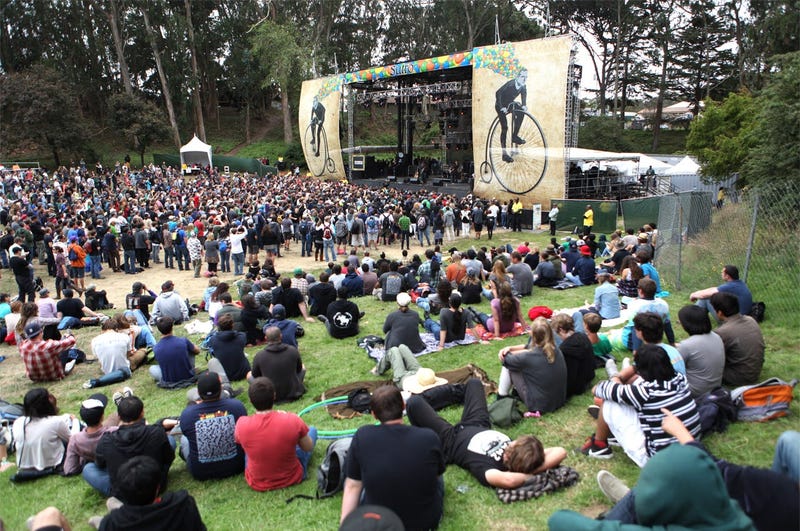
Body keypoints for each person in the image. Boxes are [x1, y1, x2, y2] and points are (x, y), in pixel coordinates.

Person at [570, 412, 799, 531]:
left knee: (666, 481)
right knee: (789, 440)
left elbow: (712, 471)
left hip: (768, 512)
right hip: (782, 500)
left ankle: (624, 513)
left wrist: (682, 433)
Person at [550, 443, 754, 531]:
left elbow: (558, 520)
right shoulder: (738, 516)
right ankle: (630, 499)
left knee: (637, 501)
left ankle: (630, 502)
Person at [407, 378, 567, 488]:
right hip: (478, 424)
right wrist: (535, 469)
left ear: (509, 458)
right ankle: (451, 397)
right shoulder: (526, 455)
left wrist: (528, 476)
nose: (510, 443)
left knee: (414, 403)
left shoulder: (491, 468)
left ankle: (417, 400)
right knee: (475, 384)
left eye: (510, 447)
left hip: (451, 439)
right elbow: (560, 451)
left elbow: (509, 480)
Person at [340, 386, 445, 530]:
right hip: (425, 523)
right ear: (403, 406)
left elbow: (352, 486)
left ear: (374, 414)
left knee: (363, 485)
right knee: (438, 478)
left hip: (379, 522)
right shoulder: (429, 437)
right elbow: (437, 474)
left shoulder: (363, 436)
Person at [579, 344, 699, 467]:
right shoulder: (680, 379)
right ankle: (612, 432)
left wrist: (615, 376)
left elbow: (597, 389)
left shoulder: (646, 393)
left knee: (610, 400)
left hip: (658, 460)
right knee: (627, 388)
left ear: (641, 370)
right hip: (689, 445)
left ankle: (599, 446)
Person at [234, 377, 317, 491]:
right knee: (312, 430)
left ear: (250, 400)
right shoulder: (292, 419)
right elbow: (308, 447)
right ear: (274, 396)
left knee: (249, 449)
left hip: (256, 482)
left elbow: (238, 440)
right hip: (292, 477)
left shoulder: (241, 424)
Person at [86, 395, 175, 497]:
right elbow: (169, 457)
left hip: (124, 491)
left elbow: (100, 464)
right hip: (155, 486)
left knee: (88, 469)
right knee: (170, 440)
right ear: (142, 412)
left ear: (119, 417)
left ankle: (119, 493)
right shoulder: (156, 432)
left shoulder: (107, 440)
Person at [91, 456, 207, 531]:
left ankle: (108, 517)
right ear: (157, 488)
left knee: (103, 520)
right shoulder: (182, 503)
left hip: (120, 519)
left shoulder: (113, 523)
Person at [178, 372, 247, 480]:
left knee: (183, 439)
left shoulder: (188, 414)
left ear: (198, 394)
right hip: (236, 466)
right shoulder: (237, 406)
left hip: (201, 472)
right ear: (221, 390)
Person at [497, 317, 567, 414]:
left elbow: (506, 359)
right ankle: (511, 394)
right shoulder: (556, 349)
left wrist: (503, 352)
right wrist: (510, 348)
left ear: (532, 335)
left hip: (539, 405)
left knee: (509, 366)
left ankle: (501, 397)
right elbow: (529, 347)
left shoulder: (528, 357)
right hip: (559, 401)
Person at [12, 387, 78, 473]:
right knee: (76, 429)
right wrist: (75, 420)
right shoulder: (55, 422)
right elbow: (74, 440)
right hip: (51, 464)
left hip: (24, 466)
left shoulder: (18, 422)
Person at [711, 291, 765, 386]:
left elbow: (709, 357)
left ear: (719, 313)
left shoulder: (723, 332)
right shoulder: (751, 320)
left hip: (739, 377)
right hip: (754, 372)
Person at [676, 305, 725, 398]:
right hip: (716, 386)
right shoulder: (716, 336)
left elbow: (672, 366)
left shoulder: (686, 345)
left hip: (696, 391)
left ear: (687, 324)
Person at [64, 393, 118, 476]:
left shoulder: (75, 439)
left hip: (93, 464)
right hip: (115, 464)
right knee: (116, 415)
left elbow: (70, 469)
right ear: (102, 417)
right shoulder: (114, 431)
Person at [83, 318, 144, 389]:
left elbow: (99, 359)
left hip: (106, 370)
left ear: (103, 330)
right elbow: (128, 354)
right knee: (142, 351)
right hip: (125, 368)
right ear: (116, 329)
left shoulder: (94, 340)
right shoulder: (124, 337)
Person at [249, 326, 306, 402]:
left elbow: (255, 375)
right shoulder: (293, 350)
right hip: (294, 393)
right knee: (303, 367)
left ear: (266, 338)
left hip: (271, 393)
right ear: (281, 336)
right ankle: (296, 386)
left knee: (249, 376)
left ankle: (264, 394)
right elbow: (299, 369)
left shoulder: (259, 355)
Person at [550, 313, 595, 399]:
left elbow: (570, 376)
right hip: (589, 378)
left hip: (578, 386)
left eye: (557, 333)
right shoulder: (583, 337)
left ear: (561, 330)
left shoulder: (565, 349)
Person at [149, 317, 199, 386]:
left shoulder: (156, 348)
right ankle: (190, 369)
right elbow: (197, 351)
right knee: (191, 348)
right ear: (172, 327)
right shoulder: (183, 341)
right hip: (188, 375)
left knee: (152, 368)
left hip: (169, 379)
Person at [494, 68, 528, 163]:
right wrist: (501, 107)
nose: (524, 79)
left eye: (526, 77)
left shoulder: (523, 86)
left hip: (510, 104)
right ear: (517, 77)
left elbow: (524, 95)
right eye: (522, 77)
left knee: (521, 111)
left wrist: (524, 105)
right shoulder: (511, 84)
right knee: (504, 127)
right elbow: (498, 93)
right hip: (501, 105)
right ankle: (504, 154)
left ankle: (514, 136)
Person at [208, 313, 251, 381]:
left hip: (225, 375)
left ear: (219, 327)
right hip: (243, 373)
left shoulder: (213, 340)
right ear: (232, 325)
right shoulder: (241, 336)